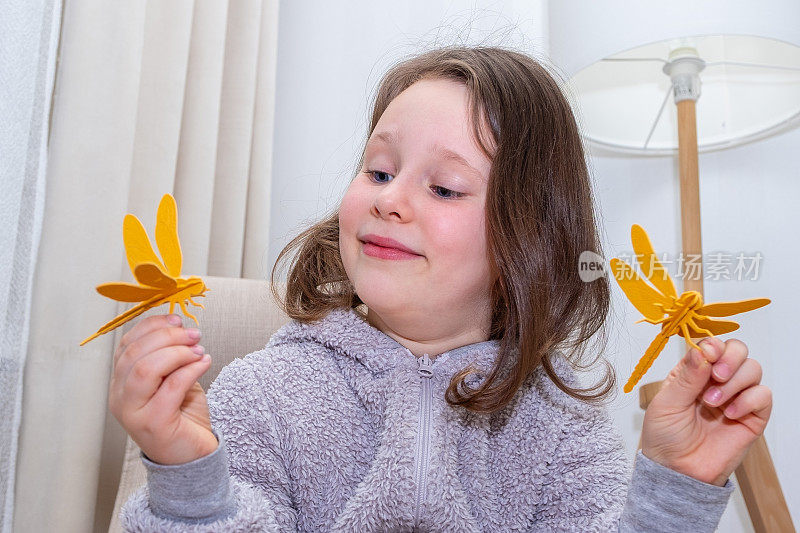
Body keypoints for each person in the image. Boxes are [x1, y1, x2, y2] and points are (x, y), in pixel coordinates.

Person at [111, 46, 772, 532]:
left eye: (445, 187)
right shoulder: (263, 393)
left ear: (526, 241)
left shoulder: (560, 424)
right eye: (377, 170)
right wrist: (190, 478)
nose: (390, 199)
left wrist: (671, 491)